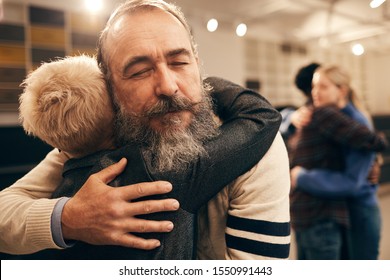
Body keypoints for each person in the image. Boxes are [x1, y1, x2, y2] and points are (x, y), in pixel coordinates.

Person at [0, 0, 291, 260]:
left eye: (179, 62)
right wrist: (68, 218)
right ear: (110, 91)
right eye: (139, 71)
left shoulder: (261, 149)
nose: (168, 86)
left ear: (197, 65)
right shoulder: (106, 136)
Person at [290, 64, 386, 259]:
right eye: (314, 87)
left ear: (341, 90)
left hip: (359, 208)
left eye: (323, 87)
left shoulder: (353, 120)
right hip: (338, 205)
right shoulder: (327, 114)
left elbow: (353, 182)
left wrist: (301, 177)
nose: (315, 93)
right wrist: (291, 116)